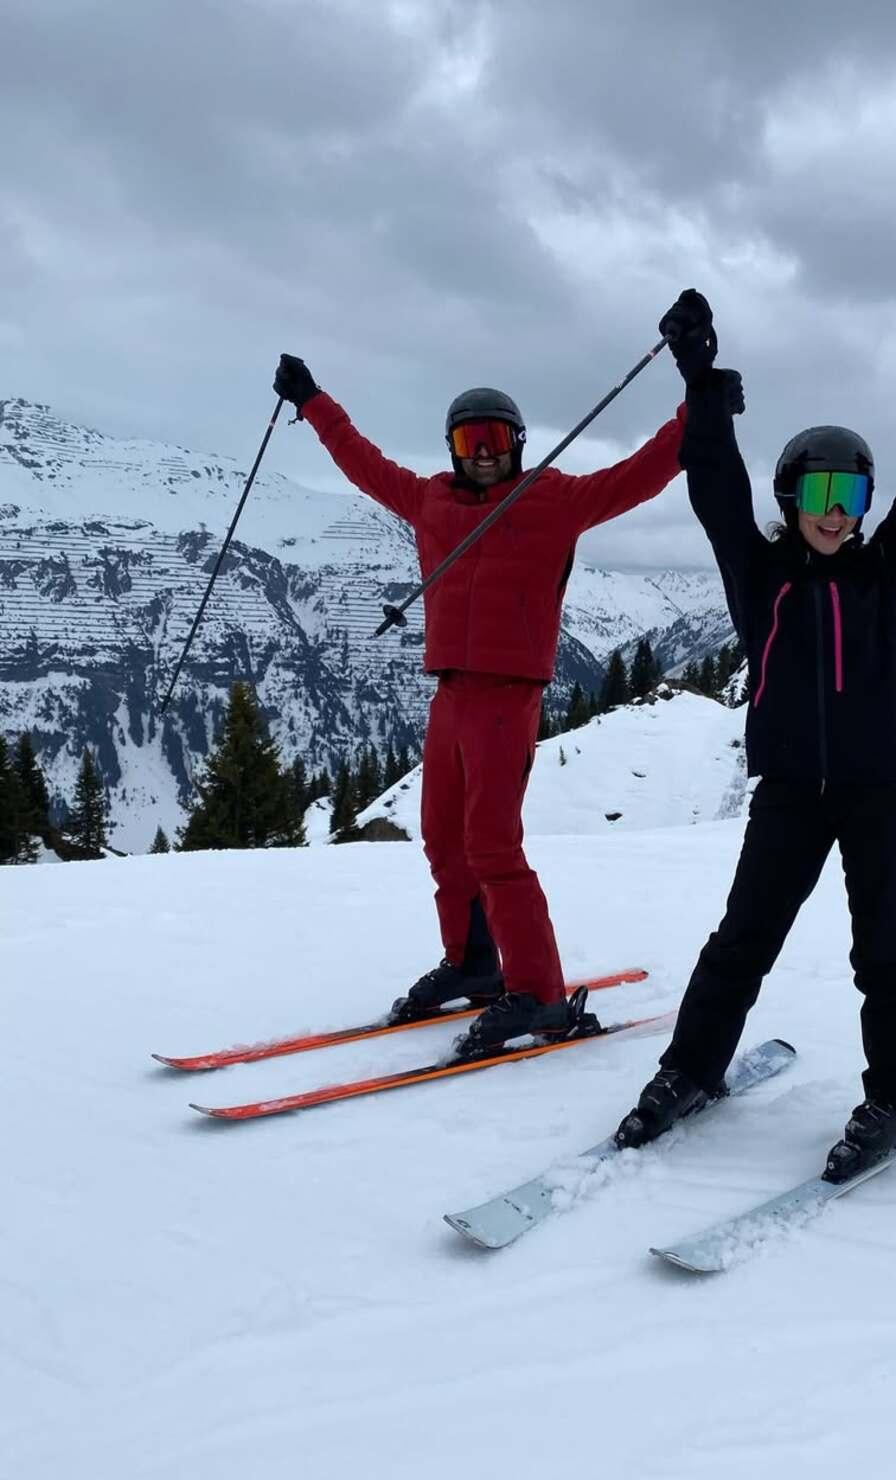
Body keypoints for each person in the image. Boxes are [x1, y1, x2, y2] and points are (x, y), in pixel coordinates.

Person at [615, 298, 896, 1178]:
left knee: (885, 949)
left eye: (851, 495)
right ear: (790, 497)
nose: (837, 511)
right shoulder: (757, 569)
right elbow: (711, 478)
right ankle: (690, 1069)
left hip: (883, 786)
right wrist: (699, 378)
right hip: (789, 791)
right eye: (820, 493)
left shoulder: (881, 570)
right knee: (742, 938)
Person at [272, 332, 696, 1052]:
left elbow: (642, 473)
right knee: (443, 838)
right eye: (470, 438)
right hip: (451, 695)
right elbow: (363, 462)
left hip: (508, 696)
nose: (485, 449)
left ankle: (538, 992)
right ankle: (475, 964)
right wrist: (312, 401)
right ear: (453, 446)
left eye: (497, 436)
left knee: (494, 844)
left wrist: (700, 400)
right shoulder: (430, 501)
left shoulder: (553, 500)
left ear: (519, 442)